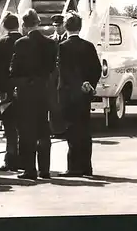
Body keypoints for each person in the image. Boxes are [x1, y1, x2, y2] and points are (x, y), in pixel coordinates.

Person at [10, 9, 57, 180]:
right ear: (38, 23)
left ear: (24, 25)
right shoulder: (51, 44)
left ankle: (29, 169)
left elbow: (14, 70)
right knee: (43, 130)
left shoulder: (21, 44)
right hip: (43, 91)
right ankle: (45, 169)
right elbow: (52, 68)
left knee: (26, 131)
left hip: (26, 93)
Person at [57, 11, 101, 177]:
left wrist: (78, 84)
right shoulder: (88, 46)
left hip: (69, 95)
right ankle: (86, 166)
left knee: (72, 131)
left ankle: (74, 167)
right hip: (85, 95)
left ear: (66, 27)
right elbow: (96, 68)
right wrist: (88, 83)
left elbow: (65, 72)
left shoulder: (62, 47)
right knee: (85, 130)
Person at [0, 12, 22, 172]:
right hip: (25, 89)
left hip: (6, 91)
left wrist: (1, 89)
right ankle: (25, 159)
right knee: (25, 126)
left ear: (4, 26)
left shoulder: (0, 43)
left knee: (10, 129)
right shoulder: (25, 41)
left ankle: (10, 159)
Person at [48, 14, 67, 137]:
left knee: (64, 102)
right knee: (53, 103)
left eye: (59, 26)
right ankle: (54, 129)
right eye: (55, 26)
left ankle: (64, 128)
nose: (57, 28)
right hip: (54, 75)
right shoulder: (50, 40)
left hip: (65, 74)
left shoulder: (68, 39)